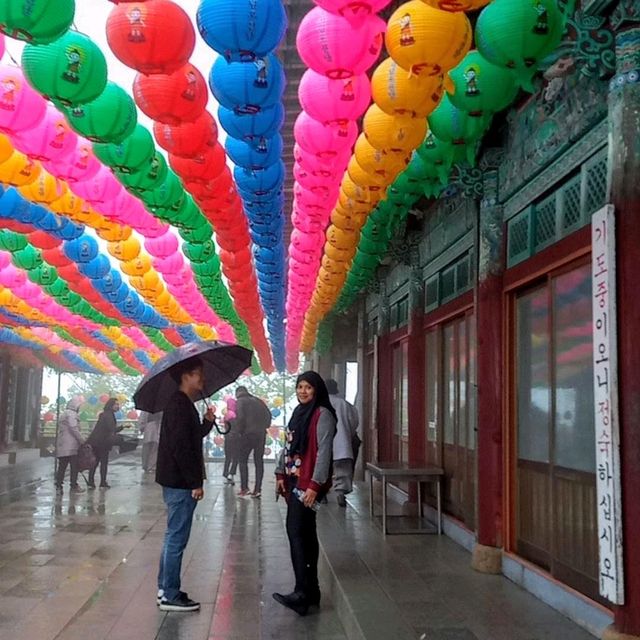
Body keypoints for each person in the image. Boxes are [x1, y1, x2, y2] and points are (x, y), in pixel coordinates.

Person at [273, 371, 337, 616]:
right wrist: (280, 474)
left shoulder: (323, 415)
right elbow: (288, 445)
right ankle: (312, 591)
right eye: (300, 386)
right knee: (306, 534)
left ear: (317, 390)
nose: (302, 391)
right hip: (294, 482)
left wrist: (315, 485)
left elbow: (323, 453)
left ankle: (302, 592)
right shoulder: (299, 413)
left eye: (308, 387)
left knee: (297, 532)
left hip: (308, 485)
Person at [156, 356, 215, 612]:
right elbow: (182, 448)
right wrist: (194, 482)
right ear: (185, 377)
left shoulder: (184, 404)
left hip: (176, 479)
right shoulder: (179, 405)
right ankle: (170, 594)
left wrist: (207, 423)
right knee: (177, 538)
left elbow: (190, 437)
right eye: (197, 373)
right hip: (180, 482)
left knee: (173, 536)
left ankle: (164, 588)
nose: (202, 378)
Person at [326, 379, 359, 507]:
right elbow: (354, 421)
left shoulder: (318, 403)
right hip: (342, 441)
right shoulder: (343, 404)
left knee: (324, 468)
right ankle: (340, 492)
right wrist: (348, 433)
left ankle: (322, 493)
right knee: (342, 469)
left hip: (323, 443)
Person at [235, 386, 271, 497]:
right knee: (258, 461)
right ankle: (257, 489)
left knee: (242, 461)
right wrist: (264, 427)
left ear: (238, 393)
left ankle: (244, 488)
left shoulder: (240, 401)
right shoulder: (259, 401)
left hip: (247, 434)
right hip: (260, 434)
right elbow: (269, 416)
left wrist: (240, 431)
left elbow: (240, 418)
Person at [87, 398, 123, 489]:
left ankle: (91, 481)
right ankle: (103, 482)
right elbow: (111, 429)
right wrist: (122, 427)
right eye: (116, 404)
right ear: (111, 405)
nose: (118, 406)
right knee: (103, 463)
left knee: (94, 462)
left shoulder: (103, 414)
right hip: (103, 442)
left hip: (96, 441)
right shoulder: (109, 415)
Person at [55, 396, 86, 494]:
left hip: (62, 444)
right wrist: (82, 440)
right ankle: (73, 485)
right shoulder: (72, 415)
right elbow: (74, 428)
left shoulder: (63, 414)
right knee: (74, 467)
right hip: (72, 445)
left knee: (62, 467)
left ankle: (59, 486)